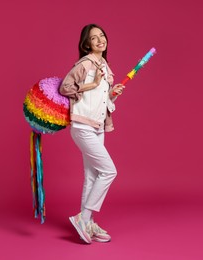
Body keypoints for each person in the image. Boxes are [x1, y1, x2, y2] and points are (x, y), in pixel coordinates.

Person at [59, 24, 125, 244]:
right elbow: (65, 87)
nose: (100, 40)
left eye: (102, 36)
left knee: (92, 176)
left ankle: (87, 223)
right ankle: (83, 217)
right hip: (82, 126)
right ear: (86, 44)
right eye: (94, 38)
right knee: (109, 171)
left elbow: (101, 101)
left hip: (97, 126)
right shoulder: (86, 64)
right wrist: (94, 84)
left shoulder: (104, 65)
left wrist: (112, 94)